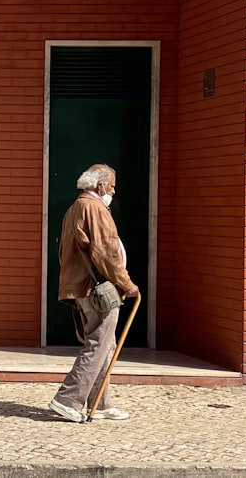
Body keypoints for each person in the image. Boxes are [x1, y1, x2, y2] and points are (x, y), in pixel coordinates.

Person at [49, 163, 140, 423]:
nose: (113, 190)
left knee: (105, 345)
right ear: (100, 185)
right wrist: (125, 282)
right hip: (97, 288)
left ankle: (99, 403)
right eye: (112, 186)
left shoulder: (75, 207)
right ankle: (67, 399)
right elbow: (106, 251)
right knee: (99, 344)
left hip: (84, 285)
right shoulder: (93, 207)